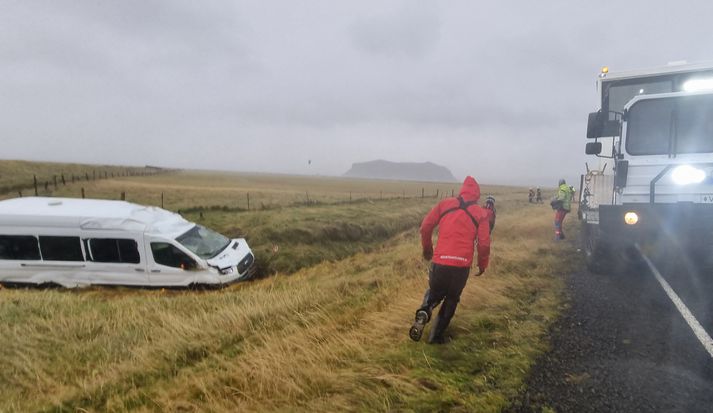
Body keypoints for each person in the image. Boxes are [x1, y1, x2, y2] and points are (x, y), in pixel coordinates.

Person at [409, 176, 492, 344]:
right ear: (477, 194)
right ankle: (436, 336)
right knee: (452, 298)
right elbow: (484, 244)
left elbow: (425, 227)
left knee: (433, 292)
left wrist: (427, 250)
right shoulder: (481, 213)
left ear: (462, 190)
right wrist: (482, 264)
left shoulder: (445, 204)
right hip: (461, 266)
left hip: (440, 262)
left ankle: (425, 310)